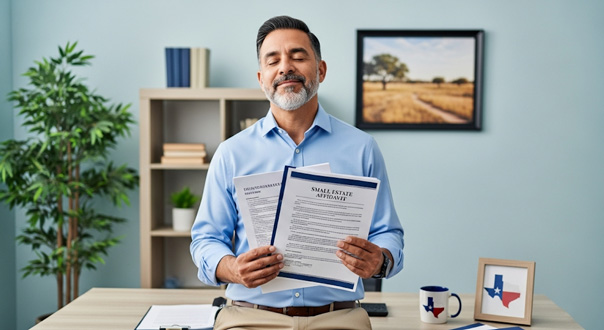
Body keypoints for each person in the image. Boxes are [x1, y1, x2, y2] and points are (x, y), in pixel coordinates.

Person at [190, 15, 404, 330]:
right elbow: (205, 239)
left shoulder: (362, 148)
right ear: (262, 77)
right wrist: (231, 268)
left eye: (298, 56)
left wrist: (380, 261)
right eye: (273, 60)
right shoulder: (231, 153)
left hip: (339, 317)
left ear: (321, 70)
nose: (285, 67)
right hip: (250, 317)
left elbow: (389, 233)